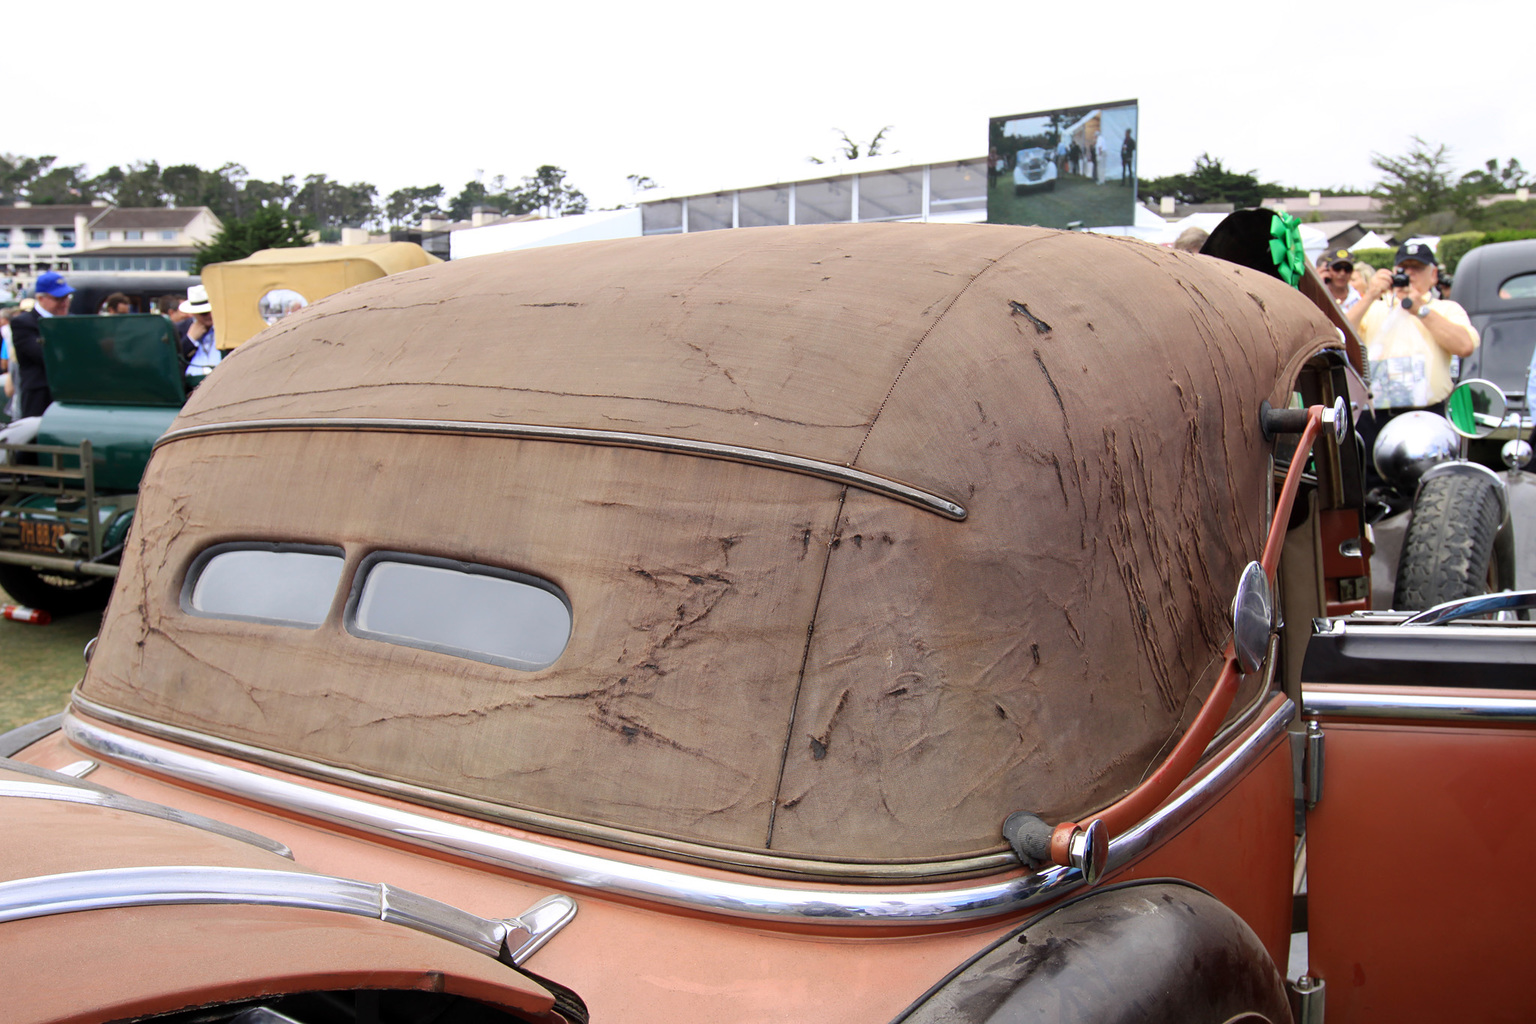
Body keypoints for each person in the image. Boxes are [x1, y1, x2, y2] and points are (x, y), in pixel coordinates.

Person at [1347, 242, 1479, 490]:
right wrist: (1370, 296)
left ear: (1433, 275)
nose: (1409, 275)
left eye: (1417, 269)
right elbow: (1339, 336)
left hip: (1428, 415)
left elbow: (1464, 346)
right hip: (1377, 418)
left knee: (1435, 488)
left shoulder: (1445, 309)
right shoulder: (1375, 309)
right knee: (1367, 488)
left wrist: (1420, 308)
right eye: (1403, 268)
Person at [9, 270, 73, 418]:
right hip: (40, 398)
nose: (64, 303)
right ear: (40, 298)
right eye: (58, 299)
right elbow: (44, 355)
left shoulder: (71, 321)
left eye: (66, 298)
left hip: (68, 393)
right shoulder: (24, 323)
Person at [178, 284, 221, 380]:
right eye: (204, 313)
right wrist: (190, 340)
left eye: (212, 311)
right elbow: (174, 361)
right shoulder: (181, 329)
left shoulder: (225, 328)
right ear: (194, 313)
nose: (209, 316)